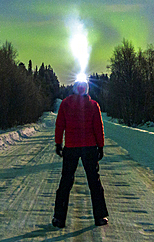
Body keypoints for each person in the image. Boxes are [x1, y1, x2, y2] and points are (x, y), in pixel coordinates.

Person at [52, 79, 109, 228]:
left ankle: (59, 218)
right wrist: (100, 146)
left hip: (71, 147)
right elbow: (98, 127)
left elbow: (60, 125)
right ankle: (100, 216)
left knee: (65, 181)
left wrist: (58, 143)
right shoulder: (93, 105)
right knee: (94, 182)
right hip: (89, 147)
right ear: (86, 90)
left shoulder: (65, 104)